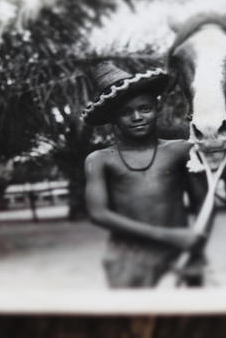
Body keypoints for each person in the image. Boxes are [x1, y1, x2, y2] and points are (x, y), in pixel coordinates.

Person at [82, 62, 208, 288]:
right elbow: (98, 213)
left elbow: (205, 204)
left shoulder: (181, 150)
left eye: (145, 108)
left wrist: (195, 244)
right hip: (128, 258)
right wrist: (169, 236)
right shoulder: (100, 160)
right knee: (136, 320)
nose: (137, 117)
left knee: (186, 319)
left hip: (179, 254)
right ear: (113, 118)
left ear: (157, 108)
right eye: (125, 112)